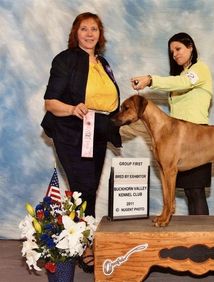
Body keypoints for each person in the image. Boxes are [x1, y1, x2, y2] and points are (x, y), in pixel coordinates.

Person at [41, 12, 121, 273]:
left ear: (100, 35)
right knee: (81, 189)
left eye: (94, 29)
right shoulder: (65, 60)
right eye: (84, 29)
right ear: (76, 33)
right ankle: (84, 249)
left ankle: (84, 243)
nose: (89, 34)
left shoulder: (103, 62)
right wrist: (73, 109)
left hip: (96, 131)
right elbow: (50, 102)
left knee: (89, 191)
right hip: (70, 131)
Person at [131, 32, 212, 216]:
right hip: (179, 140)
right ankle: (194, 238)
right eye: (172, 51)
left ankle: (203, 238)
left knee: (197, 191)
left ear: (190, 47)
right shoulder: (182, 74)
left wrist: (151, 80)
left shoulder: (200, 69)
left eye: (178, 49)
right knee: (190, 191)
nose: (175, 54)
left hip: (198, 137)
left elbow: (182, 83)